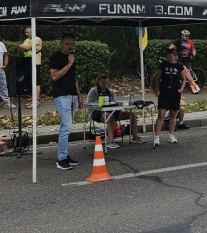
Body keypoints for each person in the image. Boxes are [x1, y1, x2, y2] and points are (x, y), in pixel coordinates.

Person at [49, 34, 83, 170]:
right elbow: (55, 76)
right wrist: (68, 64)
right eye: (67, 44)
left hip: (73, 95)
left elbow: (74, 78)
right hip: (62, 95)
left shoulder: (72, 58)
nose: (70, 46)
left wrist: (79, 95)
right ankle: (61, 159)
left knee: (68, 127)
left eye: (72, 44)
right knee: (66, 127)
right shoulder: (55, 58)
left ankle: (65, 155)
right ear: (61, 44)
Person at [89, 74, 143, 147]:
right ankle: (110, 141)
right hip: (98, 111)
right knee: (110, 117)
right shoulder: (93, 91)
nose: (105, 85)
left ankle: (135, 137)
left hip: (111, 110)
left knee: (132, 114)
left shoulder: (111, 91)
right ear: (98, 82)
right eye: (103, 83)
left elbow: (114, 103)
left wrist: (114, 103)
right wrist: (101, 102)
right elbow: (89, 104)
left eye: (106, 83)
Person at [154, 47, 188, 146]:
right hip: (164, 92)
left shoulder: (179, 66)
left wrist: (181, 89)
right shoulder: (163, 65)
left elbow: (184, 79)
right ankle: (157, 136)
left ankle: (171, 134)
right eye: (167, 57)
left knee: (173, 114)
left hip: (175, 92)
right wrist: (157, 89)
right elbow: (157, 78)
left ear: (175, 57)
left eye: (170, 57)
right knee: (161, 113)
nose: (169, 59)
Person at [17, 26, 42, 108]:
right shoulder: (27, 40)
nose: (26, 34)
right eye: (25, 32)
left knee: (36, 82)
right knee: (31, 82)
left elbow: (26, 47)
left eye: (28, 32)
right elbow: (21, 49)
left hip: (35, 62)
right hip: (28, 62)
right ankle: (33, 100)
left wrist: (24, 47)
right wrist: (24, 47)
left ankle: (36, 101)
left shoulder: (37, 39)